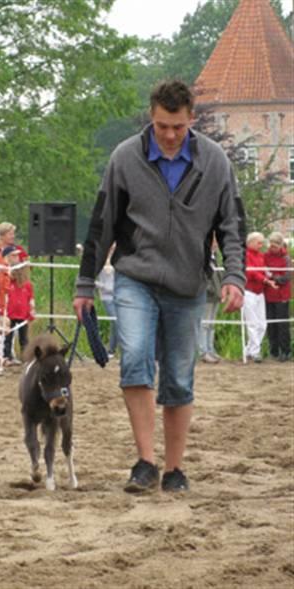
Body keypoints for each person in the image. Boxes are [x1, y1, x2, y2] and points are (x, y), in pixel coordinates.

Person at [73, 80, 246, 494]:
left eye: (178, 127)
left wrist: (235, 275)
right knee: (133, 356)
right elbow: (102, 223)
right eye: (162, 125)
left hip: (188, 284)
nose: (169, 135)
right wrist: (85, 281)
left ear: (190, 119)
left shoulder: (216, 162)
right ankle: (145, 462)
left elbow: (233, 225)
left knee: (179, 379)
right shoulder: (125, 158)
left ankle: (174, 470)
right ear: (151, 116)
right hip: (135, 276)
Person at [243, 232, 274, 363]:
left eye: (262, 243)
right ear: (250, 242)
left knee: (262, 324)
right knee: (252, 323)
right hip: (249, 291)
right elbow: (250, 272)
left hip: (260, 292)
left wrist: (270, 275)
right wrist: (265, 280)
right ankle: (255, 352)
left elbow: (263, 270)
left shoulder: (261, 256)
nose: (261, 245)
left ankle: (249, 350)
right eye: (258, 243)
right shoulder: (245, 255)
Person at [264, 232, 291, 362]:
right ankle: (273, 351)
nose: (272, 248)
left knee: (282, 324)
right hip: (269, 294)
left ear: (280, 246)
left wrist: (274, 278)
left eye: (274, 246)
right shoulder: (266, 256)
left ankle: (286, 351)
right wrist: (270, 277)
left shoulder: (286, 258)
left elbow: (287, 276)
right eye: (271, 246)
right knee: (271, 324)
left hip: (282, 295)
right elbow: (264, 271)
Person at [198, 245, 222, 363]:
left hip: (216, 296)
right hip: (208, 296)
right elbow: (205, 277)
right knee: (205, 323)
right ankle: (203, 351)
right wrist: (210, 290)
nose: (216, 244)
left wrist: (220, 291)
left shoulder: (214, 259)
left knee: (212, 324)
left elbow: (218, 276)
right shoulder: (204, 257)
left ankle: (210, 349)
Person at [95, 244, 118, 357]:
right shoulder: (101, 261)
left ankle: (112, 349)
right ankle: (113, 349)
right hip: (106, 297)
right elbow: (94, 280)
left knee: (116, 323)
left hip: (117, 296)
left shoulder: (117, 260)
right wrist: (103, 286)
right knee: (116, 321)